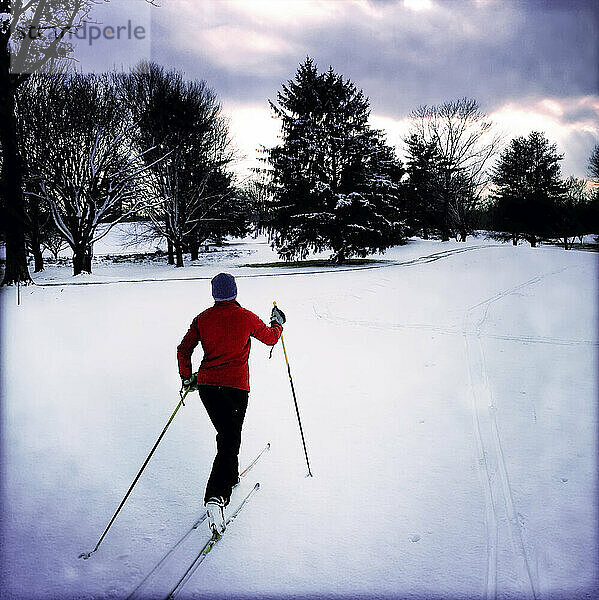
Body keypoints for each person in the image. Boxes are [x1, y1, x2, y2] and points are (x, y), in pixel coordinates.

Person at [177, 272, 286, 535]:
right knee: (229, 438)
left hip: (207, 387)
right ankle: (216, 496)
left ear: (214, 294)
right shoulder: (245, 316)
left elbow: (183, 349)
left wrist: (187, 377)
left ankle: (230, 476)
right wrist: (278, 322)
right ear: (234, 292)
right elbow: (271, 337)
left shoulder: (202, 319)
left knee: (228, 435)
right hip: (236, 388)